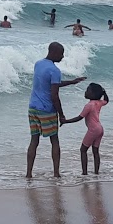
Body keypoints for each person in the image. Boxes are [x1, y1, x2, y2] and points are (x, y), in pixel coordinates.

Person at [25, 42, 85, 178]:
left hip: (33, 107)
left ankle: (28, 173)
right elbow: (54, 95)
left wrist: (71, 82)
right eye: (61, 53)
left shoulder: (38, 64)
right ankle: (56, 173)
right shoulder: (55, 70)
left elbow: (51, 84)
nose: (63, 56)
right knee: (55, 140)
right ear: (53, 53)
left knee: (34, 141)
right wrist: (61, 115)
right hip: (47, 109)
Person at [59, 83, 109, 175]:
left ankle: (84, 173)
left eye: (88, 90)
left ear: (93, 94)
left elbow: (79, 118)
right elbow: (106, 100)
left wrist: (65, 121)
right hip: (100, 129)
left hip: (93, 130)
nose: (85, 92)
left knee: (83, 150)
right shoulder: (99, 102)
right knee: (95, 151)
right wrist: (104, 92)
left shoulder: (89, 105)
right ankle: (96, 172)